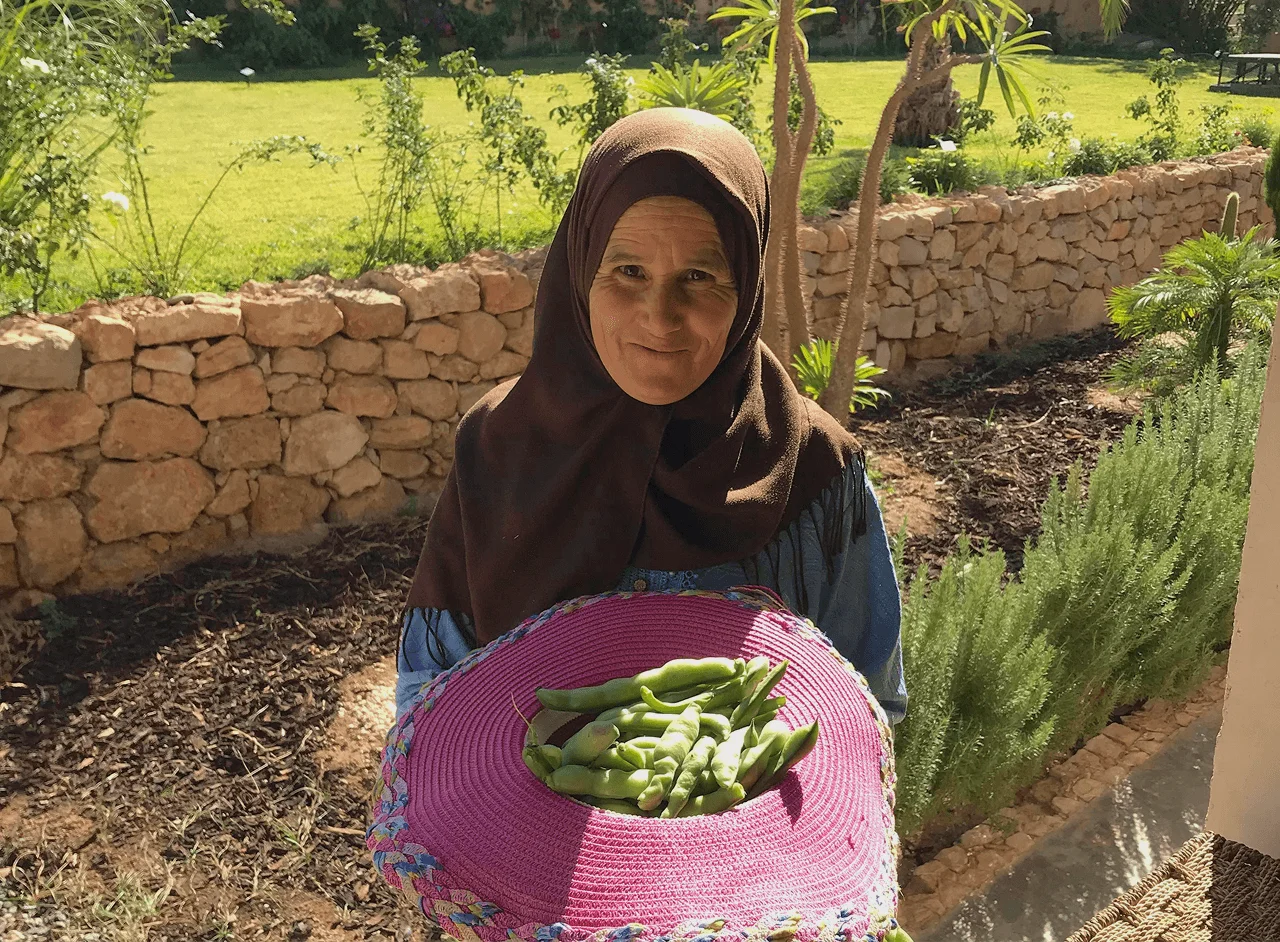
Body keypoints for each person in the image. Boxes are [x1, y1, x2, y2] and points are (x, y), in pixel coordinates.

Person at [395, 108, 906, 725]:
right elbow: (429, 700)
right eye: (629, 272)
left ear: (746, 286)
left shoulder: (815, 473)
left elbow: (862, 712)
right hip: (519, 816)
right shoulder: (499, 447)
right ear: (581, 271)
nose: (661, 318)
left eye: (700, 276)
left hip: (746, 820)